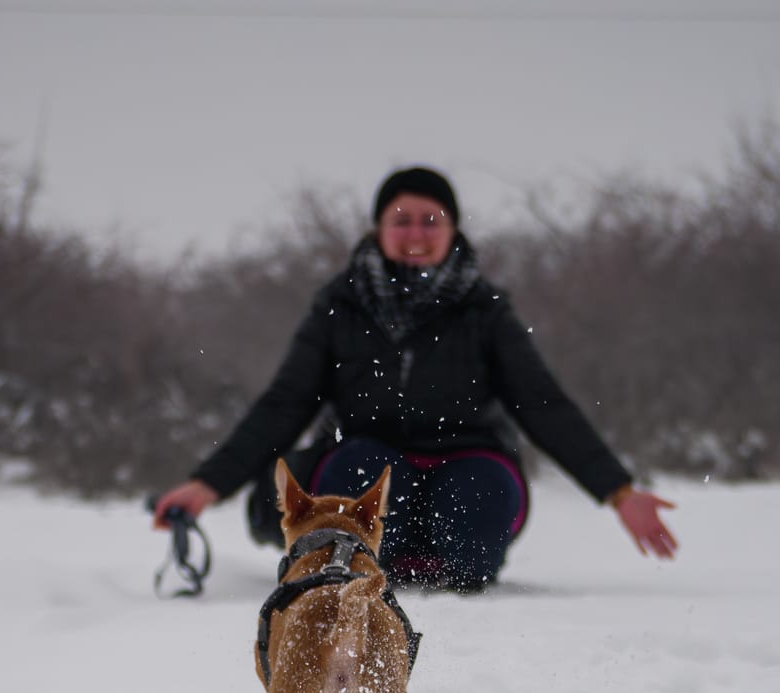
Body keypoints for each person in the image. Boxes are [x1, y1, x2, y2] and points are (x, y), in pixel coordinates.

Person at [154, 166, 677, 590]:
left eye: (431, 220)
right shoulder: (340, 304)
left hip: (470, 458)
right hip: (365, 455)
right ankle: (369, 554)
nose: (416, 233)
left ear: (453, 230)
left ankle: (427, 556)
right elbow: (285, 402)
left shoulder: (485, 309)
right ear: (378, 229)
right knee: (365, 471)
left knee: (478, 505)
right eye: (401, 219)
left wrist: (618, 491)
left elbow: (543, 404)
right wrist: (208, 484)